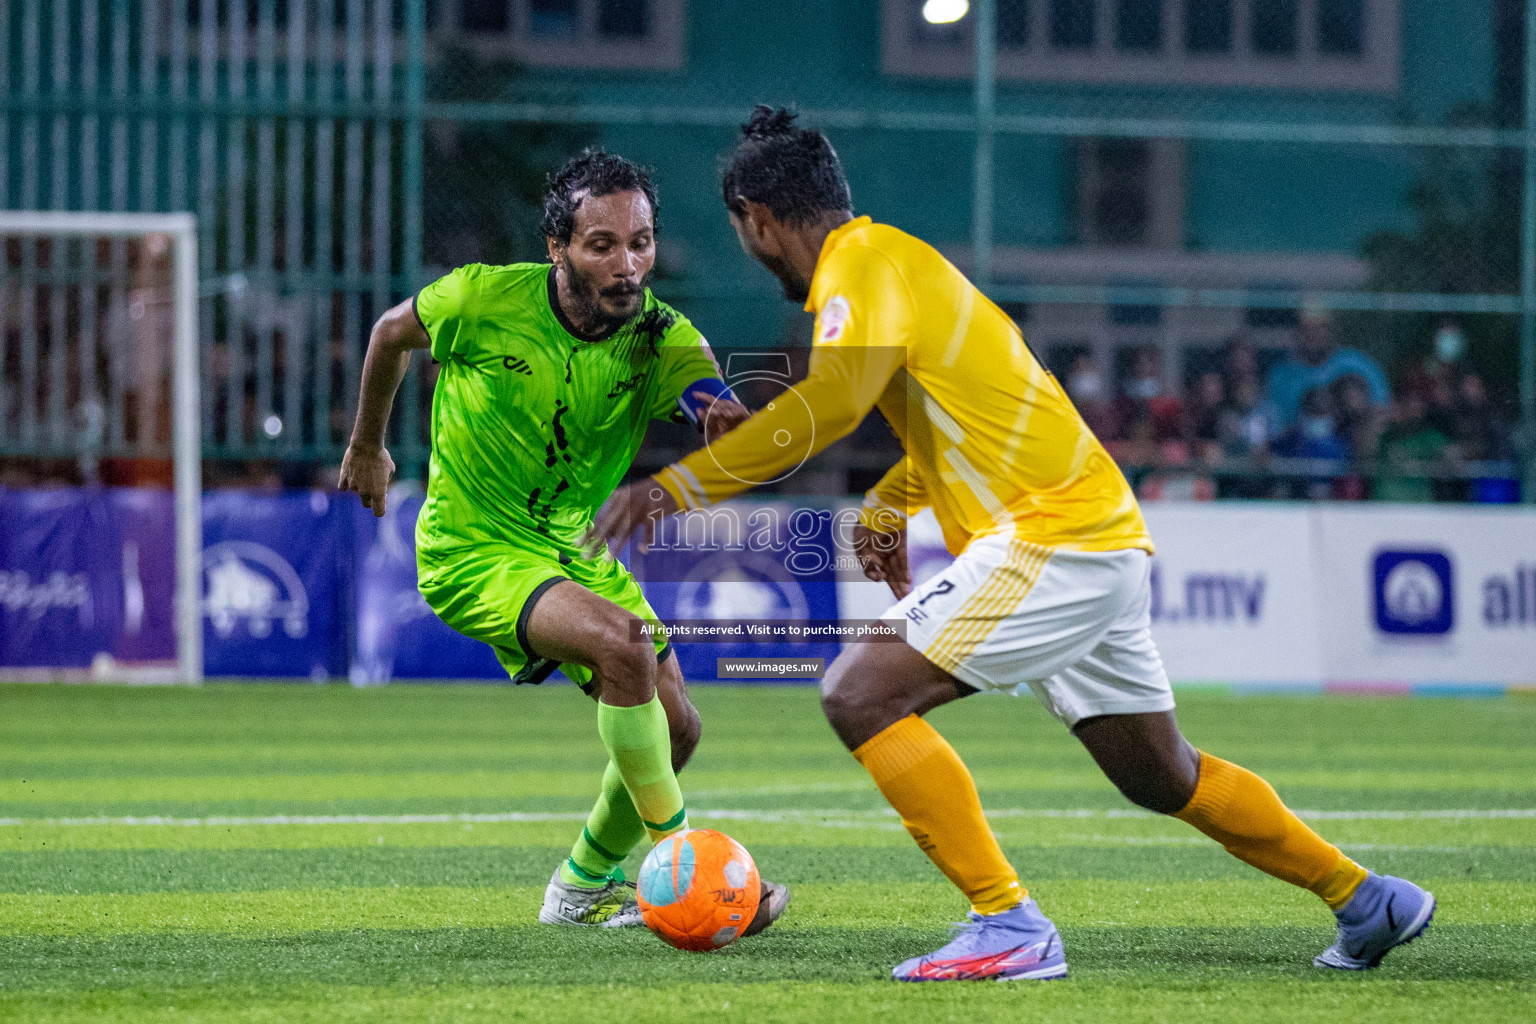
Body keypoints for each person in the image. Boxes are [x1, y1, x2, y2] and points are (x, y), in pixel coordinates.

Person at [593, 107, 1433, 981]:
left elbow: (835, 404)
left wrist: (673, 488)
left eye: (741, 229)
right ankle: (1365, 898)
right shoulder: (897, 265)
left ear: (754, 218)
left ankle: (1007, 921)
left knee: (859, 694)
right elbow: (980, 420)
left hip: (1053, 539)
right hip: (1092, 535)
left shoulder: (860, 268)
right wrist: (889, 500)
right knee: (1160, 775)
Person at [338, 150, 788, 934]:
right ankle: (686, 873)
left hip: (573, 551)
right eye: (602, 245)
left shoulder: (658, 335)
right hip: (472, 550)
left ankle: (579, 888)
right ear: (558, 248)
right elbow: (388, 335)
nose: (627, 265)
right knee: (624, 647)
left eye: (641, 243)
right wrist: (367, 446)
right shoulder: (481, 298)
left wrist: (720, 417)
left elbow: (702, 388)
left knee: (680, 729)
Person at [1265, 307, 1390, 429]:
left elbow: (1381, 410)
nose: (1313, 335)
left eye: (1320, 328)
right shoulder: (1282, 375)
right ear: (1296, 332)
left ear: (1331, 330)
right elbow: (1274, 423)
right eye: (1306, 328)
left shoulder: (1357, 364)